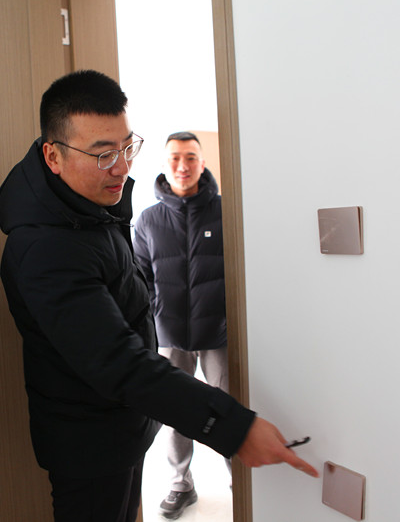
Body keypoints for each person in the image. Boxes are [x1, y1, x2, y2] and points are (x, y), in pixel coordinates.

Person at [0, 70, 317, 522]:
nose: (122, 167)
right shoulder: (47, 247)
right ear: (53, 156)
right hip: (88, 446)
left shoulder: (91, 212)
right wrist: (233, 428)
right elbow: (117, 361)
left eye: (127, 147)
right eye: (103, 154)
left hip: (123, 426)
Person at [133, 131, 229, 519]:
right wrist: (153, 323)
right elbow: (140, 279)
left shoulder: (226, 212)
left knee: (228, 407)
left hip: (219, 333)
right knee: (174, 411)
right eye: (175, 157)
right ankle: (181, 483)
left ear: (202, 164)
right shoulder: (148, 220)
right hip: (169, 334)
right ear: (164, 164)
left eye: (190, 157)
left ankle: (240, 479)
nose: (182, 165)